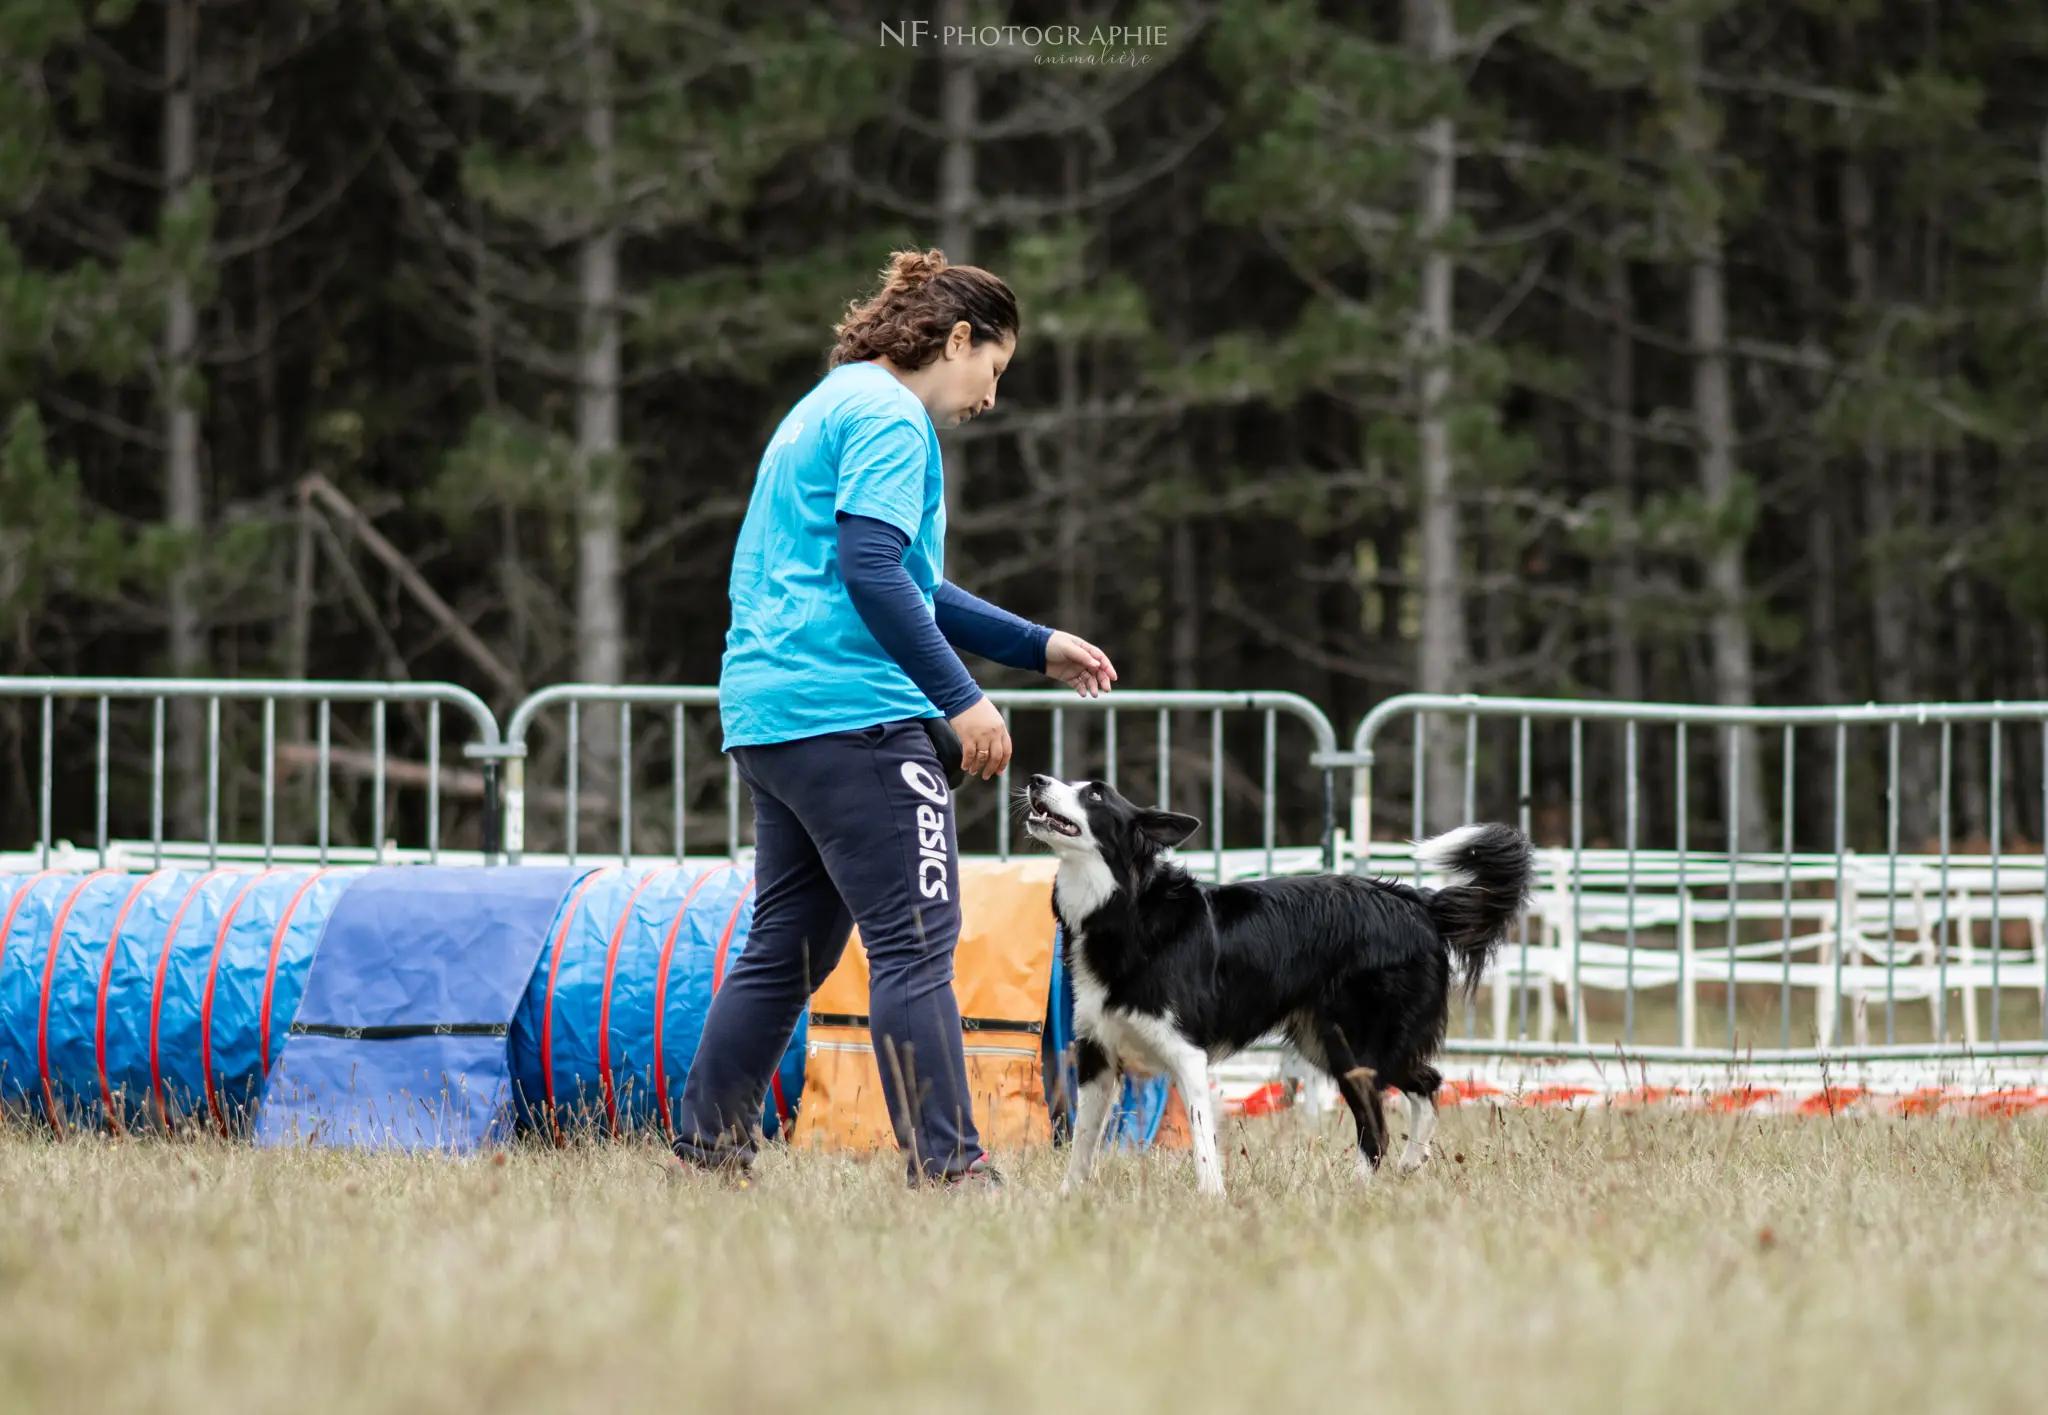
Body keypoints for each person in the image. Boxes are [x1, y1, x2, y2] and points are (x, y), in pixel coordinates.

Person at [671, 248, 1117, 1188]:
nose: (991, 398)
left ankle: (707, 1154)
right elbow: (873, 573)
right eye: (993, 370)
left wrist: (1038, 645)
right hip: (854, 716)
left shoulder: (823, 407)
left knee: (788, 942)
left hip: (770, 714)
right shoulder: (891, 420)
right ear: (956, 339)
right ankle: (951, 1173)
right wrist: (963, 698)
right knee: (914, 941)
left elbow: (910, 579)